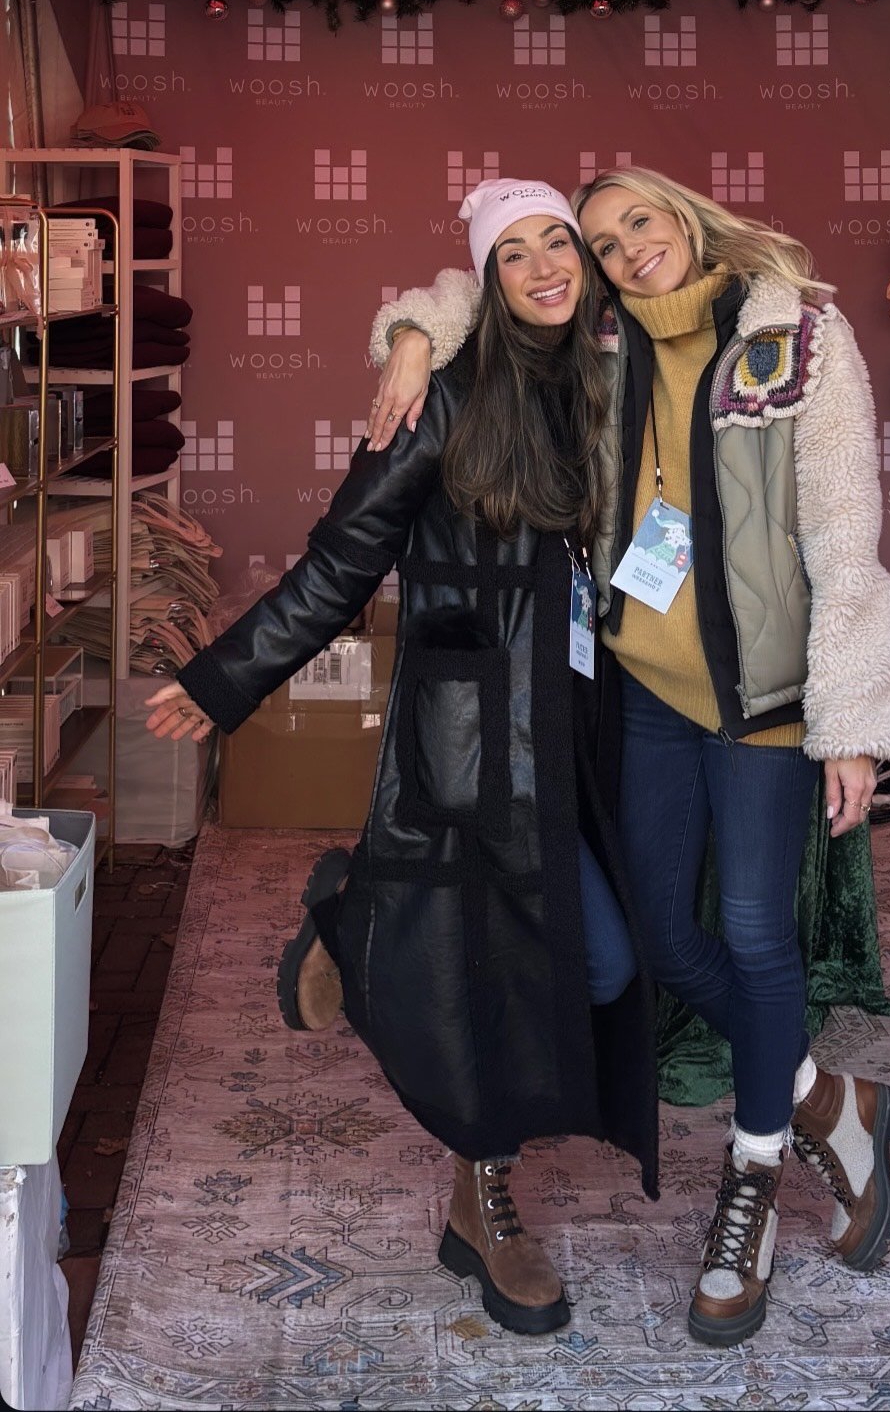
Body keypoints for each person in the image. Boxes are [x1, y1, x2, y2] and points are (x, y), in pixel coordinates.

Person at [365, 165, 890, 1348]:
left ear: (685, 217)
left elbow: (844, 535)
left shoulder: (796, 343)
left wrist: (855, 720)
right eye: (603, 240)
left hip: (765, 706)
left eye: (637, 225)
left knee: (761, 936)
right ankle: (830, 1097)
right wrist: (412, 332)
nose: (621, 251)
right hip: (649, 698)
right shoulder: (609, 357)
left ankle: (757, 1178)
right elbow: (496, 288)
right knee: (666, 940)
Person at [144, 178, 656, 1340]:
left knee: (608, 962)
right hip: (468, 737)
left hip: (576, 729)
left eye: (556, 242)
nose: (541, 265)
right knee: (480, 971)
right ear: (486, 278)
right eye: (512, 250)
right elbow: (338, 564)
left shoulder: (611, 379)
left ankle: (347, 914)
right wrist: (224, 679)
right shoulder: (438, 402)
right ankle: (483, 1200)